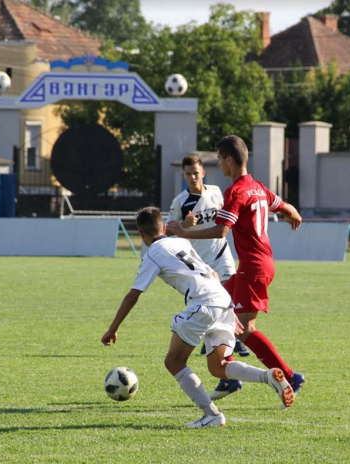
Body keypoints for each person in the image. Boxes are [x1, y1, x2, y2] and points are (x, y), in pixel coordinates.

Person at [101, 207, 295, 428]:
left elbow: (133, 294)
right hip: (222, 298)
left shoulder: (152, 253)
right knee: (218, 367)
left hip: (204, 303)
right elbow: (212, 273)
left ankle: (211, 414)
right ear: (163, 227)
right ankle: (268, 376)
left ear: (141, 233)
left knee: (174, 361)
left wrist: (112, 328)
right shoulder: (181, 242)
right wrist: (227, 308)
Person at [167, 135, 305, 401]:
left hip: (253, 266)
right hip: (257, 264)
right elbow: (284, 207)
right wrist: (293, 215)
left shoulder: (236, 191)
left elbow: (221, 230)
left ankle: (289, 377)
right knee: (216, 303)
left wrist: (183, 234)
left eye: (219, 159)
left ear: (230, 160)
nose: (219, 164)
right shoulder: (257, 186)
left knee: (245, 327)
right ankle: (228, 375)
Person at [166, 155, 250, 358]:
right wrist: (184, 226)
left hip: (221, 253)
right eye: (188, 174)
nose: (193, 177)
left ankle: (235, 340)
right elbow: (168, 230)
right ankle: (211, 340)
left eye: (196, 173)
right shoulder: (181, 201)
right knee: (210, 302)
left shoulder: (215, 192)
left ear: (203, 173)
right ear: (184, 175)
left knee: (230, 296)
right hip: (199, 262)